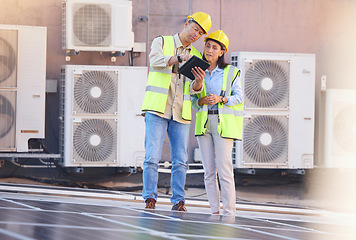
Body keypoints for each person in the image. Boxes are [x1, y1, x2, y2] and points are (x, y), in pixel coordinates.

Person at [141, 12, 212, 211]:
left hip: (181, 113)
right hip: (157, 109)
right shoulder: (161, 42)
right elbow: (154, 61)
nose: (196, 35)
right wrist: (177, 57)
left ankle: (179, 201)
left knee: (181, 160)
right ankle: (150, 199)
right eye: (195, 29)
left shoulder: (197, 56)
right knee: (151, 157)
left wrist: (198, 83)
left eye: (200, 33)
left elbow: (195, 91)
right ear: (187, 23)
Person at [191, 30, 243, 215]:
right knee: (209, 172)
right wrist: (202, 100)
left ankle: (229, 213)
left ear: (222, 51)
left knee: (225, 171)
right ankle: (214, 211)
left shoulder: (231, 72)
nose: (210, 50)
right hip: (204, 125)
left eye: (215, 47)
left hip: (223, 126)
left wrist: (221, 99)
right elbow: (194, 101)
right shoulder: (198, 70)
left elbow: (239, 98)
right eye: (207, 46)